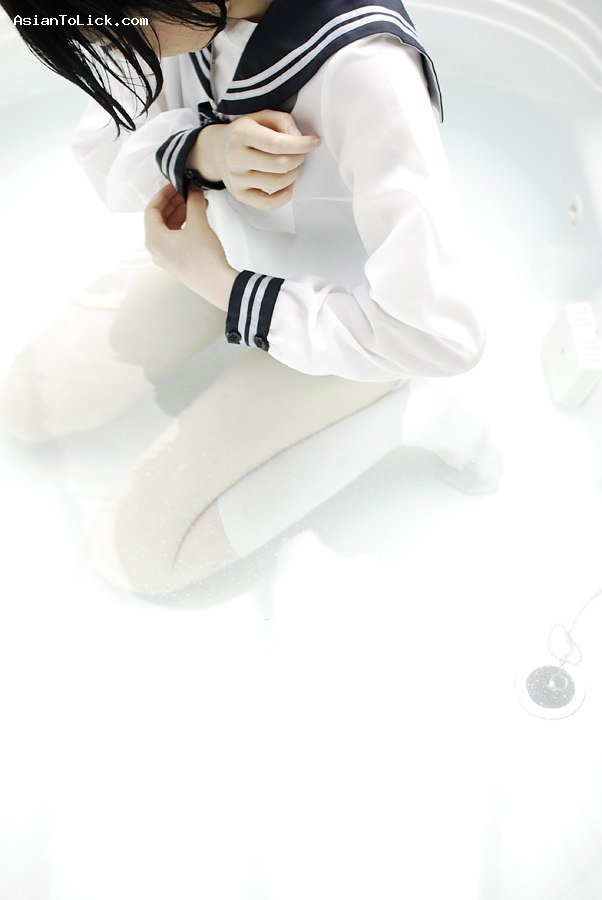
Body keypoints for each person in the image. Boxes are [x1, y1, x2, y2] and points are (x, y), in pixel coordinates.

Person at [0, 0, 500, 596]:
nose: (100, 41)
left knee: (138, 557)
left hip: (354, 327)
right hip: (225, 249)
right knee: (26, 406)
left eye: (102, 24)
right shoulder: (168, 20)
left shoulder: (366, 69)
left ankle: (414, 415)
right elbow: (106, 154)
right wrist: (204, 151)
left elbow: (440, 334)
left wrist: (225, 287)